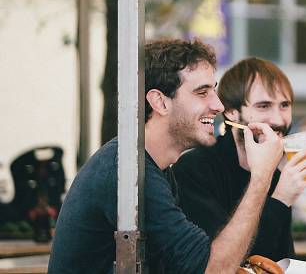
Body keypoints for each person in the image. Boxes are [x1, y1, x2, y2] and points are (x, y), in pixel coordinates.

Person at [48, 38, 284, 273]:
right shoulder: (128, 172)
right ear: (160, 102)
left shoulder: (154, 168)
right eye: (202, 92)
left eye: (214, 90)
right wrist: (261, 176)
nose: (218, 105)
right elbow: (212, 270)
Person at [171, 56, 306, 262]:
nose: (278, 119)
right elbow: (230, 263)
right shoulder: (194, 170)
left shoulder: (277, 175)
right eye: (263, 106)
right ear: (232, 112)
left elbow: (280, 260)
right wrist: (281, 198)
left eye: (284, 105)